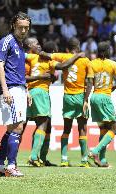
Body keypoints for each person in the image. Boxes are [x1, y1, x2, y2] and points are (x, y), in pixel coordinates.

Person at [24, 39, 85, 167]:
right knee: (42, 125)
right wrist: (78, 55)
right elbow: (63, 66)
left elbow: (22, 55)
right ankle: (34, 156)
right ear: (52, 52)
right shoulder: (50, 61)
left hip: (31, 92)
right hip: (41, 93)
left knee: (46, 126)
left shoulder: (32, 57)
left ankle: (41, 158)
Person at [0, 12, 31, 177]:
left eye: (26, 28)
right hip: (11, 89)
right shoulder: (6, 41)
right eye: (20, 27)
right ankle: (11, 166)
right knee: (17, 127)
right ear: (14, 25)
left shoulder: (21, 44)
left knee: (11, 130)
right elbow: (0, 66)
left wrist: (26, 90)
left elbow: (19, 70)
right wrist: (5, 89)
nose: (23, 30)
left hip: (20, 88)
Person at [44, 38, 93, 167]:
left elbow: (47, 55)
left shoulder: (63, 56)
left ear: (67, 49)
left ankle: (64, 159)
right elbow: (90, 82)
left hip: (68, 97)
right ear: (78, 47)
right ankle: (83, 160)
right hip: (81, 97)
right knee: (82, 129)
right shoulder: (86, 60)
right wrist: (86, 99)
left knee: (66, 129)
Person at [84, 41, 116, 167]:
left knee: (103, 129)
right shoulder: (114, 64)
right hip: (105, 97)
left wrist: (85, 100)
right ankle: (95, 151)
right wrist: (113, 87)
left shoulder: (91, 63)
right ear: (108, 51)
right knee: (113, 129)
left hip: (94, 97)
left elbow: (89, 83)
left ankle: (102, 160)